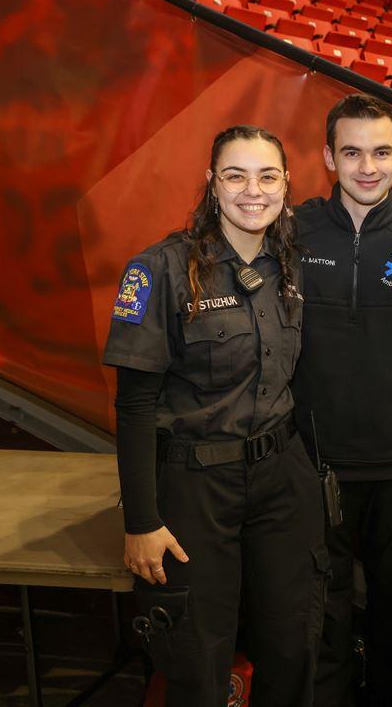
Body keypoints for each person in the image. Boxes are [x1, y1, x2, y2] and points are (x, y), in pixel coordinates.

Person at [105, 126, 326, 706]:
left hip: (281, 483)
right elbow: (133, 406)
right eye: (235, 175)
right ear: (211, 183)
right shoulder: (161, 270)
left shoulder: (293, 264)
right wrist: (140, 522)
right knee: (198, 663)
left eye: (267, 175)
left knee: (290, 647)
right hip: (194, 487)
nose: (252, 190)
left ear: (286, 183)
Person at [291, 96, 392, 707]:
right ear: (329, 157)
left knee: (391, 603)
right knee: (320, 609)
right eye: (351, 152)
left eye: (381, 152)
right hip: (312, 457)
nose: (367, 166)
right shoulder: (290, 230)